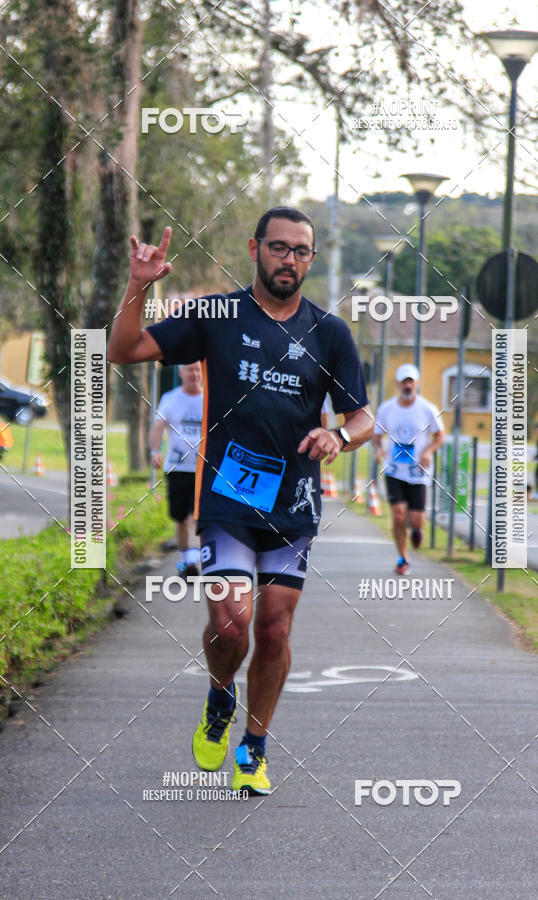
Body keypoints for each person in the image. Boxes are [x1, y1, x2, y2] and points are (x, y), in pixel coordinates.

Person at [107, 207, 373, 795]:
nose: (290, 260)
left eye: (301, 251)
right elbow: (124, 351)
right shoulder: (215, 315)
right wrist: (137, 286)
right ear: (255, 249)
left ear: (311, 258)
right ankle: (220, 696)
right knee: (232, 625)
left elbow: (363, 417)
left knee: (274, 631)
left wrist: (340, 435)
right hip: (227, 497)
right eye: (279, 248)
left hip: (294, 503)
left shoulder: (329, 333)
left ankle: (253, 749)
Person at [372, 363, 444, 575]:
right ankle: (402, 558)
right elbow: (377, 437)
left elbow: (440, 436)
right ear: (397, 384)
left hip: (417, 473)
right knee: (397, 513)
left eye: (411, 381)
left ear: (417, 384)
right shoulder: (386, 409)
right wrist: (378, 449)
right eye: (404, 381)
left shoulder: (427, 409)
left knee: (415, 519)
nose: (407, 385)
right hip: (394, 470)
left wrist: (428, 451)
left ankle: (418, 529)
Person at [148, 362, 204, 577]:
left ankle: (193, 562)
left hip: (202, 468)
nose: (194, 374)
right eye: (190, 369)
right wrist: (155, 452)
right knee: (180, 518)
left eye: (198, 369)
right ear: (181, 372)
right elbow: (158, 427)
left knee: (195, 516)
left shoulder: (209, 398)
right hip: (177, 468)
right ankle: (184, 561)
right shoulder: (170, 399)